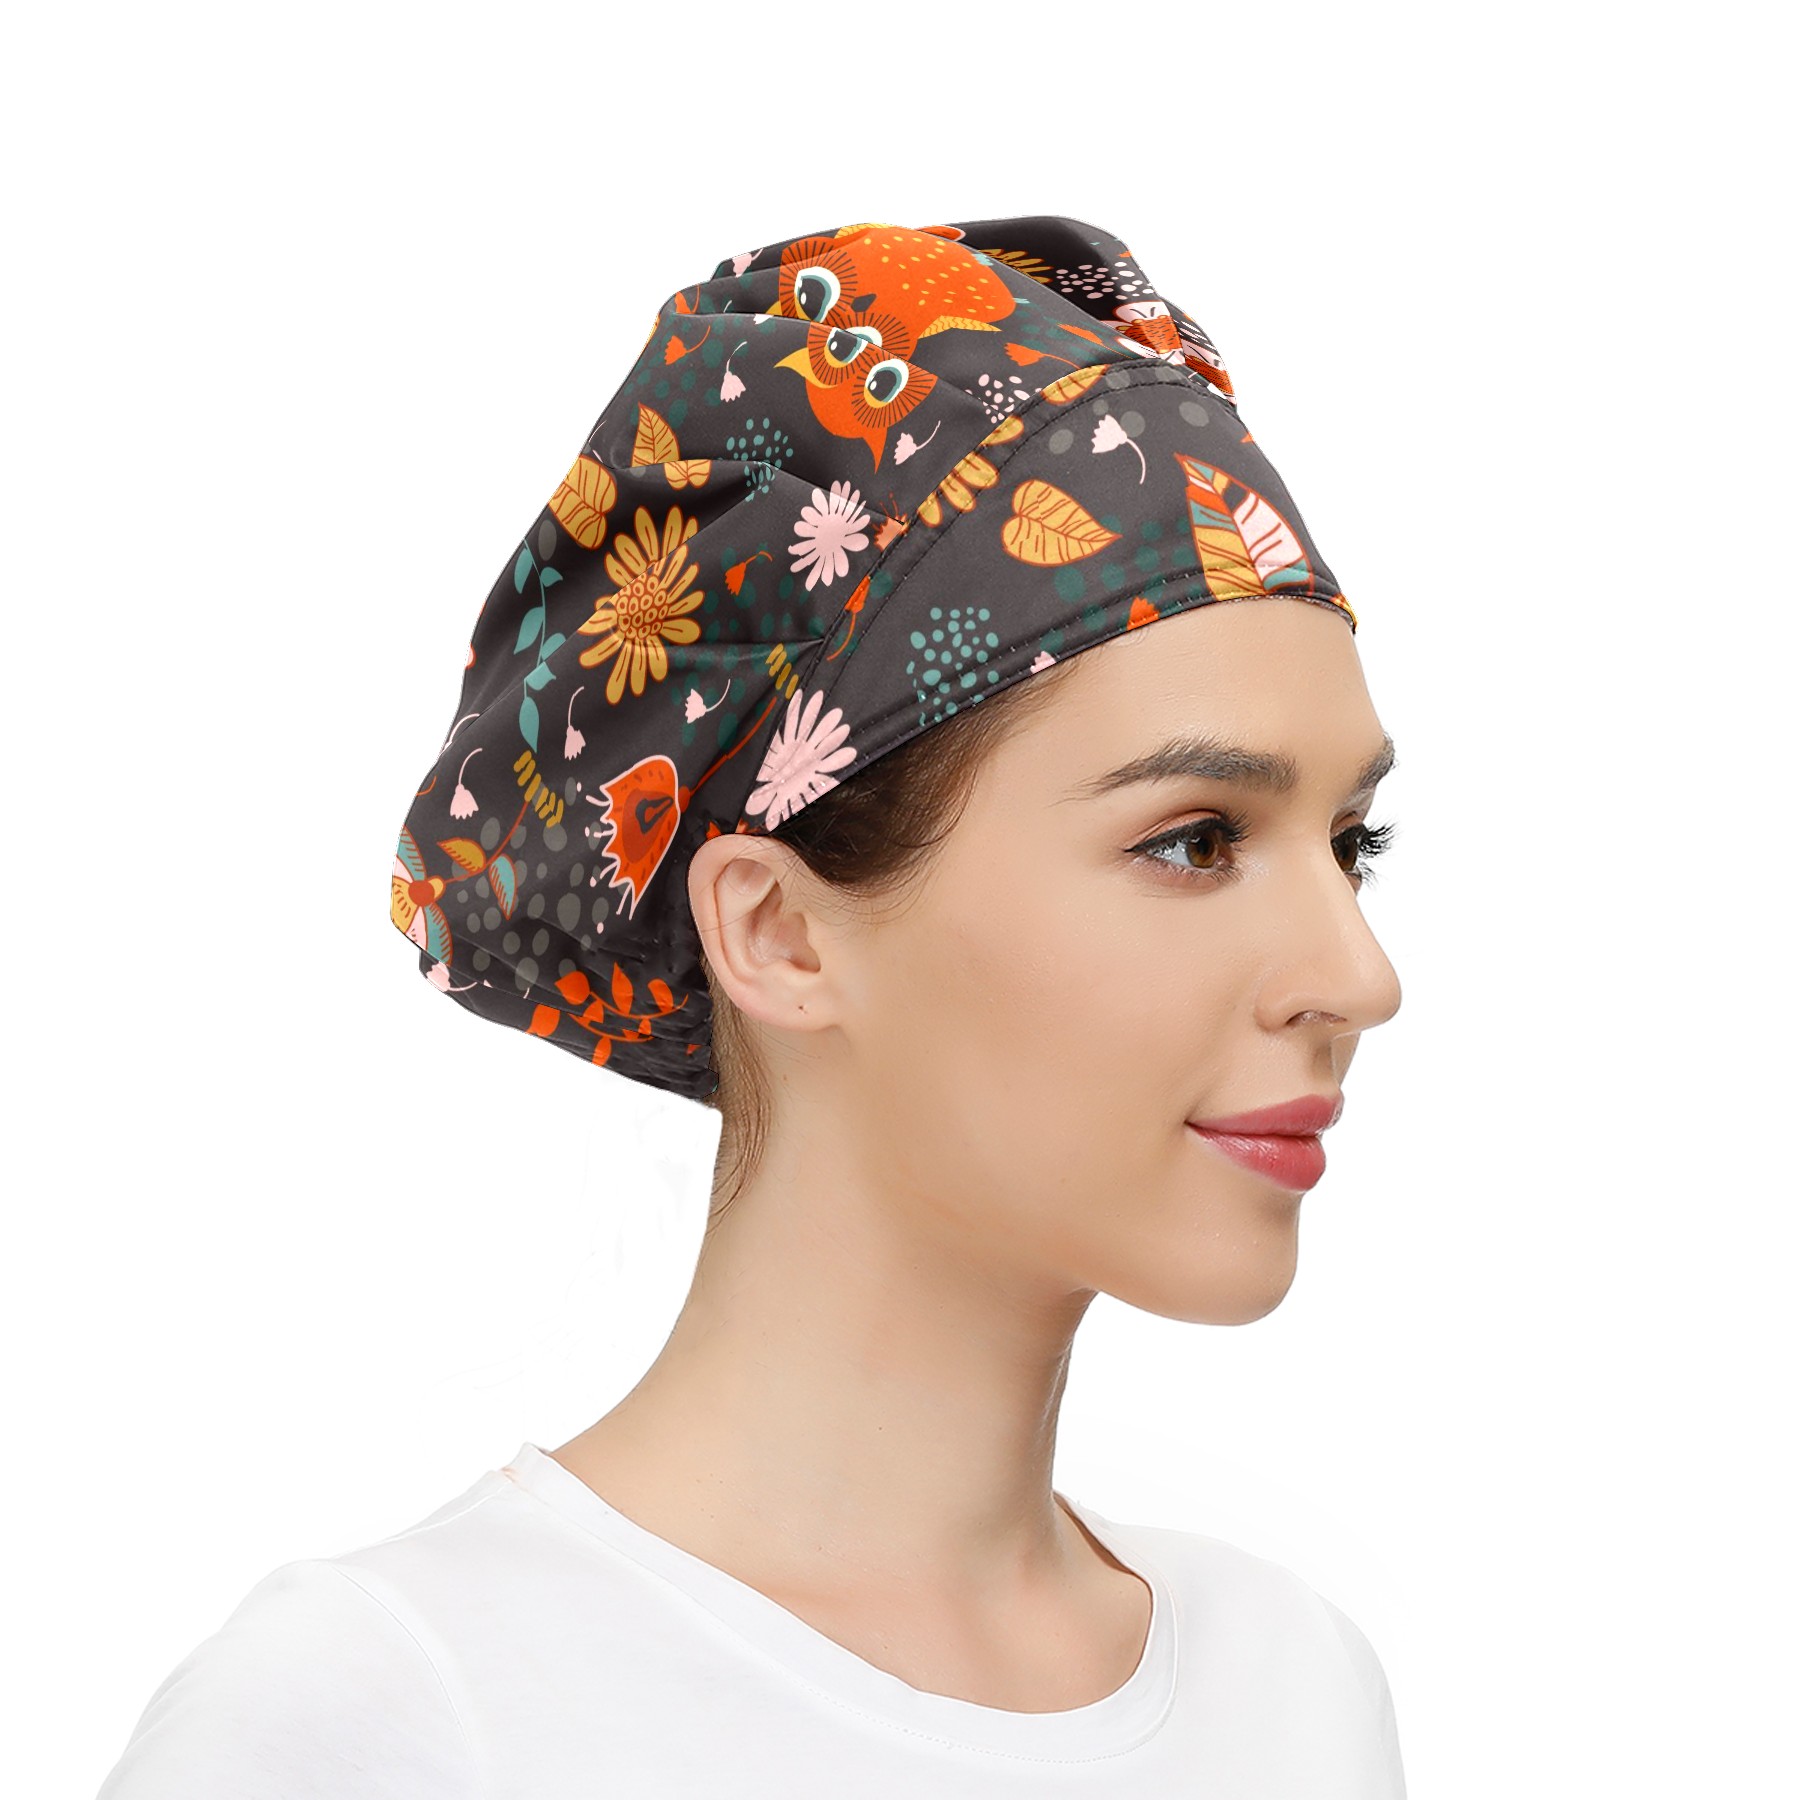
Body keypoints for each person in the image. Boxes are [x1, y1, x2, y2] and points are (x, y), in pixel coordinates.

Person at [99, 214, 1408, 1795]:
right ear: (778, 931)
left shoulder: (1292, 1691)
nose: (1360, 977)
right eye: (1193, 841)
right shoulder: (393, 1717)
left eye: (1353, 845)